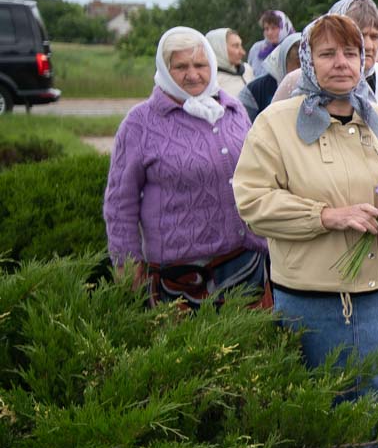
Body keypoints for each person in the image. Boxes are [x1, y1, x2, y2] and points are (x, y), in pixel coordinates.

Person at [233, 13, 378, 448]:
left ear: (364, 60)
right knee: (324, 412)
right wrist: (325, 216)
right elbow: (252, 201)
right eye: (327, 53)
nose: (341, 62)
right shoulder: (275, 125)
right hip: (314, 297)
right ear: (307, 60)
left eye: (351, 52)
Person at [103, 27, 268, 306]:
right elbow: (120, 202)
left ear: (212, 65)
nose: (192, 75)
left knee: (252, 334)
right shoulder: (140, 123)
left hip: (245, 261)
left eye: (200, 65)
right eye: (180, 67)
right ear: (164, 70)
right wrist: (126, 262)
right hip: (180, 275)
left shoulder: (233, 110)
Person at [242, 31, 301, 122]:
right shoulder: (255, 91)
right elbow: (244, 126)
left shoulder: (319, 91)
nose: (302, 70)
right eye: (298, 64)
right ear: (283, 63)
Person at [207, 27, 250, 99]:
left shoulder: (248, 70)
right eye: (236, 46)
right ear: (219, 49)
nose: (243, 52)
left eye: (240, 45)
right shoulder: (210, 81)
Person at [248, 10, 290, 79]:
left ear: (284, 28)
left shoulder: (290, 49)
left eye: (274, 28)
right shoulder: (256, 49)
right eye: (266, 29)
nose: (269, 33)